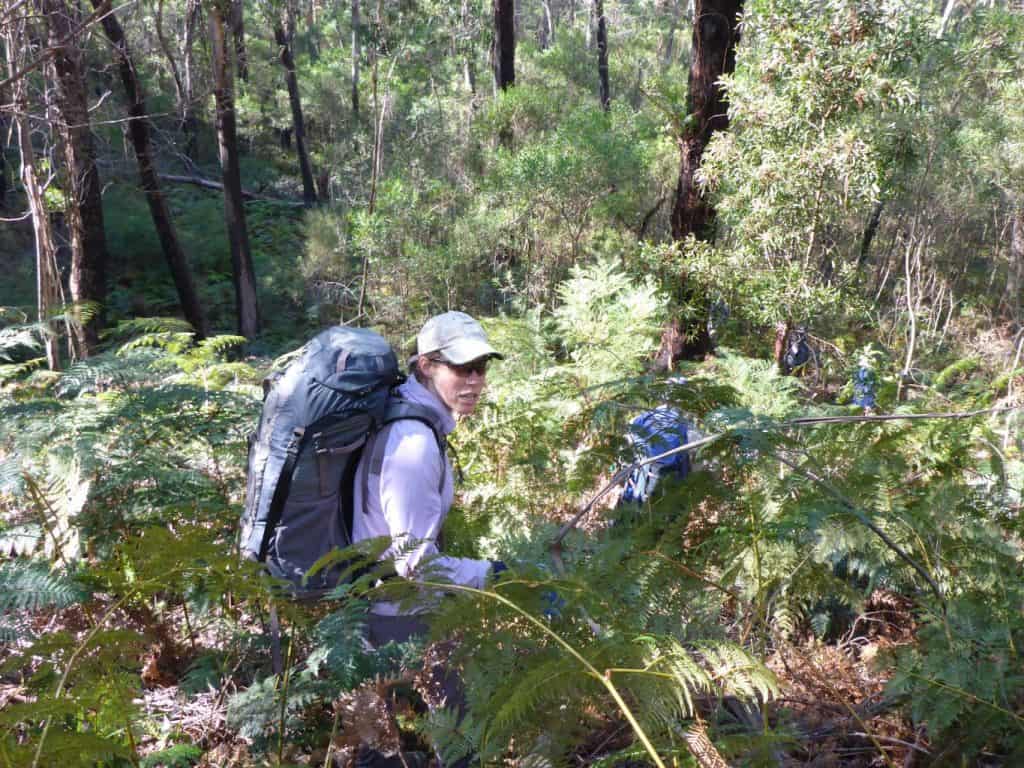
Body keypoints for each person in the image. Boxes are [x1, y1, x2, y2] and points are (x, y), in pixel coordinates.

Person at [351, 311, 504, 767]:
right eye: (461, 368)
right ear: (425, 365)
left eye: (481, 368)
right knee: (459, 732)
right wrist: (494, 574)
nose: (474, 380)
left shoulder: (409, 416)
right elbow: (415, 563)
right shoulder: (413, 444)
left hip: (368, 600)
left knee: (379, 746)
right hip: (395, 608)